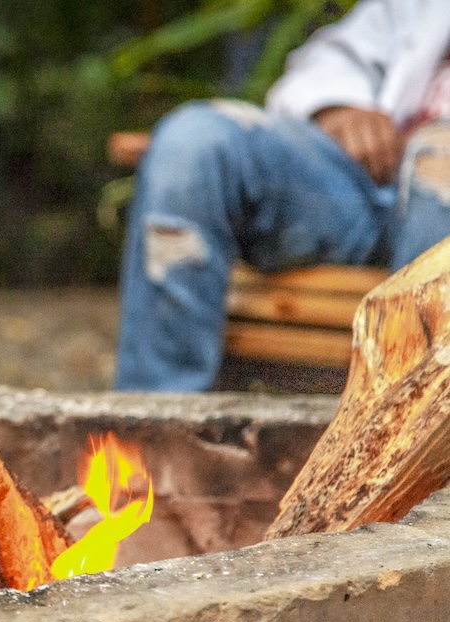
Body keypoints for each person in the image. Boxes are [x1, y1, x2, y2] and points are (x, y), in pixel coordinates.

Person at [115, 0, 450, 392]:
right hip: (359, 185)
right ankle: (156, 427)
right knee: (191, 145)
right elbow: (332, 57)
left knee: (438, 162)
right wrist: (338, 106)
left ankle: (410, 431)